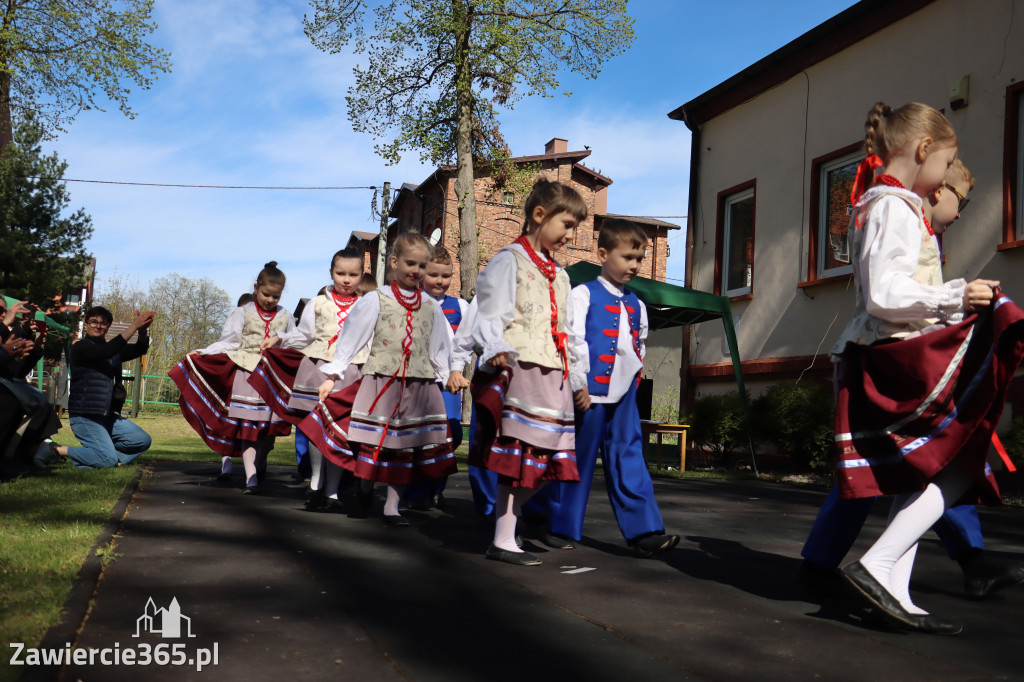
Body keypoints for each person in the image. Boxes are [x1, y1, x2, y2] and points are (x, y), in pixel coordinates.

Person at [831, 102, 1023, 634]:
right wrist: (958, 296)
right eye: (948, 161)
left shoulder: (894, 204)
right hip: (900, 358)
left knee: (929, 468)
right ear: (923, 151)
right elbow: (884, 294)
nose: (945, 176)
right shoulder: (892, 205)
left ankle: (892, 584)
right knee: (958, 459)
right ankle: (880, 563)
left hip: (898, 351)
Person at [447, 179, 583, 566]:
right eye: (567, 225)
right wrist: (498, 348)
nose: (571, 235)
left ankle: (510, 526)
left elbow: (568, 331)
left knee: (550, 460)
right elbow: (491, 313)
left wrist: (577, 377)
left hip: (552, 373)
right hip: (521, 368)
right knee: (520, 457)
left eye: (575, 227)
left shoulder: (560, 275)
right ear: (539, 216)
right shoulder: (510, 260)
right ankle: (504, 537)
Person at [543, 218, 680, 558]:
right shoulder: (582, 294)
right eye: (627, 257)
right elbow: (571, 341)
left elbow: (639, 344)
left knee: (629, 456)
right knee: (576, 459)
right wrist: (578, 383)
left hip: (624, 395)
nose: (634, 265)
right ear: (603, 254)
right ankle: (557, 523)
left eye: (639, 258)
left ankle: (645, 531)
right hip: (587, 394)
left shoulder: (638, 303)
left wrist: (633, 379)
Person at [302, 232, 457, 525]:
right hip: (381, 382)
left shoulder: (430, 306)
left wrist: (448, 374)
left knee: (406, 445)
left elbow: (439, 344)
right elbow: (353, 337)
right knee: (375, 443)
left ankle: (392, 507)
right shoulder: (376, 299)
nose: (416, 271)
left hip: (417, 385)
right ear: (395, 262)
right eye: (411, 263)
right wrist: (334, 373)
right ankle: (364, 485)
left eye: (422, 266)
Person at [251, 249, 366, 512]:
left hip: (352, 371)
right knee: (316, 429)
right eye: (340, 273)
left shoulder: (367, 305)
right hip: (318, 368)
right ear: (330, 273)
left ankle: (333, 492)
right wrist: (280, 338)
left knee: (342, 432)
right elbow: (304, 335)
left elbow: (370, 339)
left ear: (361, 275)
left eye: (353, 274)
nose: (346, 280)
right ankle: (315, 482)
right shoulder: (317, 303)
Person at [170, 261, 295, 493]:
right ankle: (251, 478)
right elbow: (230, 341)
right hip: (246, 375)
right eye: (266, 294)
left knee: (267, 432)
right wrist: (205, 351)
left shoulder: (286, 316)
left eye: (275, 297)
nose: (270, 300)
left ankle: (261, 463)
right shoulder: (242, 312)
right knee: (249, 428)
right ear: (256, 288)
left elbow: (292, 344)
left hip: (271, 379)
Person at [43, 307, 154, 469]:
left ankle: (99, 460)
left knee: (142, 440)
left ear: (108, 326)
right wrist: (133, 326)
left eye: (103, 323)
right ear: (86, 325)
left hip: (106, 415)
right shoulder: (80, 348)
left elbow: (139, 349)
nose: (98, 325)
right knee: (107, 458)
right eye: (93, 321)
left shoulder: (113, 351)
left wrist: (142, 332)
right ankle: (56, 449)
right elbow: (104, 352)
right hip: (85, 416)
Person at [404, 245, 469, 511]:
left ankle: (436, 487)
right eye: (434, 275)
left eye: (446, 276)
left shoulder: (460, 306)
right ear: (421, 275)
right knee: (419, 436)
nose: (440, 281)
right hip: (418, 381)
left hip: (447, 384)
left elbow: (466, 342)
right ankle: (415, 492)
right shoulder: (412, 302)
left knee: (450, 433)